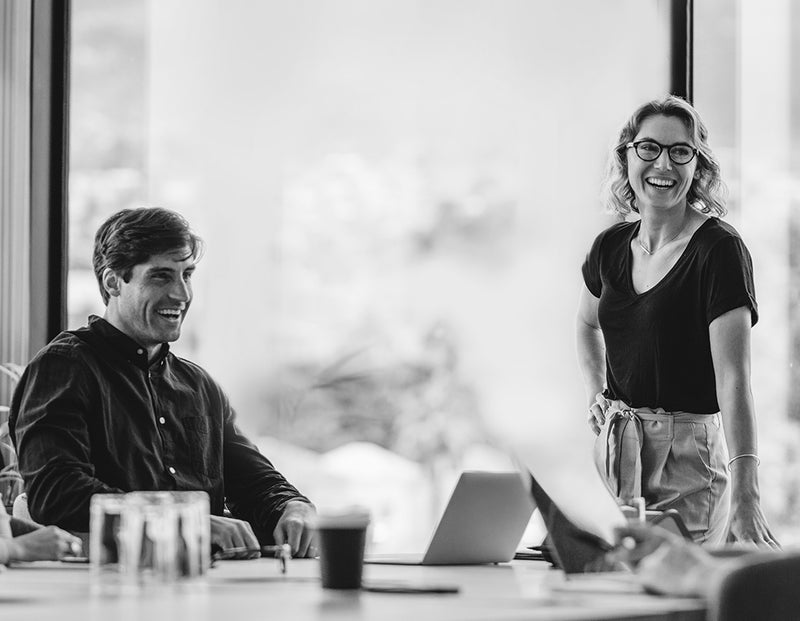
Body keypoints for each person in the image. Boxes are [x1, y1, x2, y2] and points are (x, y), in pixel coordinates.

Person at [9, 207, 316, 558]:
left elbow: (254, 481)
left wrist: (292, 506)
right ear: (113, 282)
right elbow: (56, 493)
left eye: (187, 275)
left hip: (209, 580)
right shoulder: (63, 367)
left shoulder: (199, 385)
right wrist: (182, 522)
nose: (181, 294)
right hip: (108, 583)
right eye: (161, 277)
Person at [576, 96, 776, 547]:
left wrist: (747, 495)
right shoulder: (608, 248)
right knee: (611, 583)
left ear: (697, 164)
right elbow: (586, 325)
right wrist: (594, 391)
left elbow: (734, 380)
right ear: (626, 156)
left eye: (680, 151)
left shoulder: (719, 250)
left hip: (688, 461)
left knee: (678, 587)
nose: (663, 164)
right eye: (649, 147)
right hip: (615, 452)